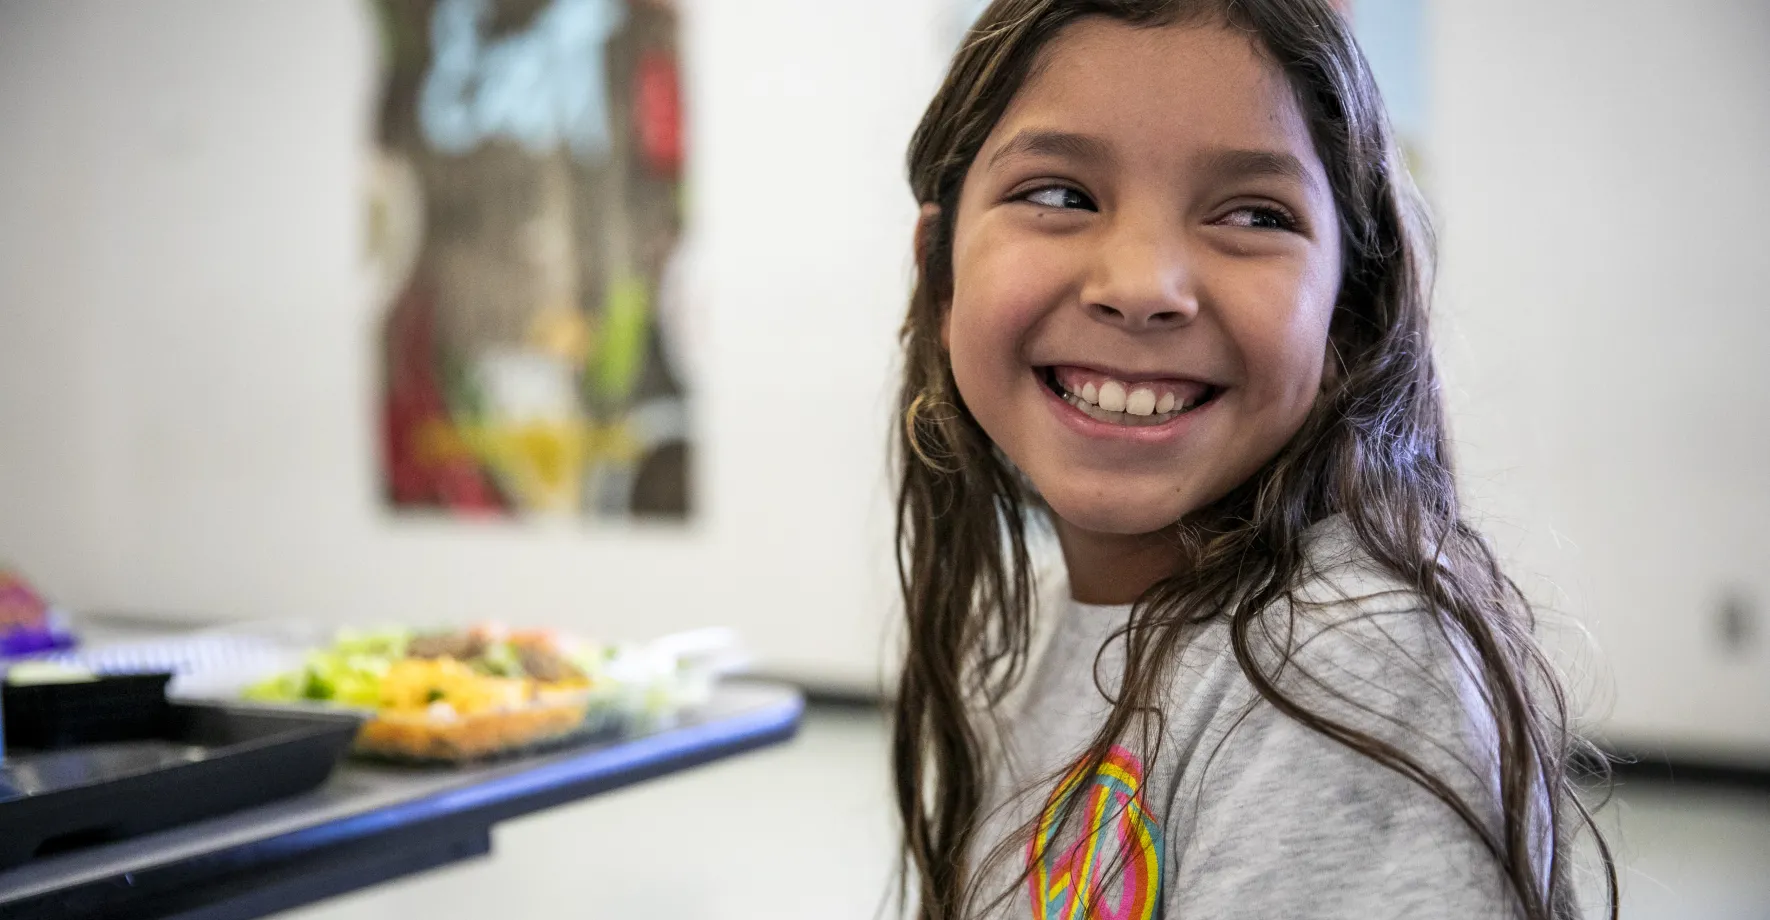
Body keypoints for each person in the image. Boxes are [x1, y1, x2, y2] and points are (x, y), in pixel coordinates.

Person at [890, 2, 1616, 918]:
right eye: (1060, 195)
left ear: (1348, 311)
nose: (1143, 287)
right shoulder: (1034, 635)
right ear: (939, 273)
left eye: (1251, 214)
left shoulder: (1346, 669)